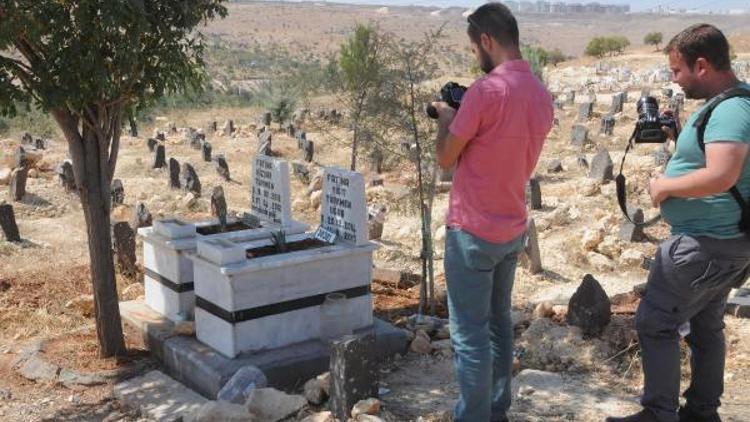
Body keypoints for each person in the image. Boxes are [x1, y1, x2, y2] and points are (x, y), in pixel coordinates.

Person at [607, 24, 750, 422]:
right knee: (706, 327)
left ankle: (659, 414)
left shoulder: (733, 109)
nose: (674, 80)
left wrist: (664, 185)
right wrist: (680, 136)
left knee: (655, 322)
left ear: (701, 65)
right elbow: (717, 165)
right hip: (726, 244)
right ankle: (702, 413)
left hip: (706, 243)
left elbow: (721, 176)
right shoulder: (731, 104)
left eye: (676, 71)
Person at [431, 3, 553, 421]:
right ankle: (496, 409)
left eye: (473, 48)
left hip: (472, 232)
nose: (474, 57)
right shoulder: (540, 94)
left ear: (486, 40)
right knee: (500, 326)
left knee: (469, 336)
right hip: (511, 228)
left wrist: (446, 119)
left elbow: (447, 158)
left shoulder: (484, 93)